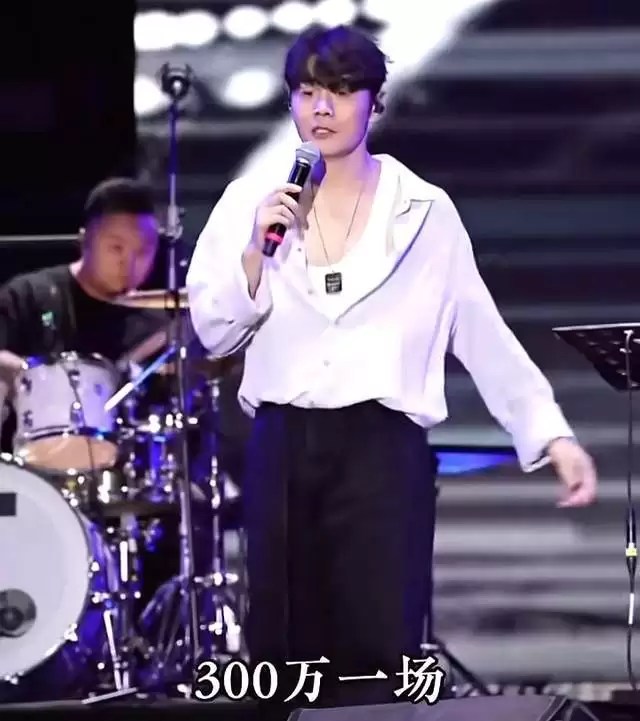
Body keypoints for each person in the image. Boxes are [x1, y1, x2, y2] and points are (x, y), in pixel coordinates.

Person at [186, 25, 597, 709]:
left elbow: (478, 329)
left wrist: (550, 434)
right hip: (283, 444)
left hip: (382, 448)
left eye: (341, 91)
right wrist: (256, 251)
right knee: (282, 645)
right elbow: (213, 328)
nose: (321, 108)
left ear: (374, 104)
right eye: (306, 92)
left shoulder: (424, 210)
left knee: (379, 643)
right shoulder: (248, 203)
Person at [0, 176, 170, 454]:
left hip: (120, 466)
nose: (128, 262)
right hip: (26, 461)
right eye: (116, 247)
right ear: (84, 240)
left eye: (143, 251)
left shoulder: (157, 326)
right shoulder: (28, 295)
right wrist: (29, 376)